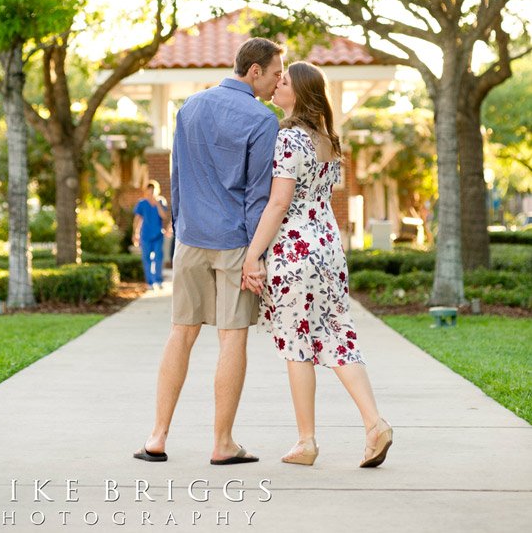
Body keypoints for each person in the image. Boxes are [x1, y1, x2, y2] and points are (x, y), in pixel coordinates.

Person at [134, 37, 284, 464]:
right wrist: (256, 256)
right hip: (235, 244)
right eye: (275, 75)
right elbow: (258, 199)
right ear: (254, 71)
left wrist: (182, 228)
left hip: (191, 240)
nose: (277, 83)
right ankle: (222, 444)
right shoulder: (262, 119)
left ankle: (157, 437)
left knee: (180, 333)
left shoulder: (190, 108)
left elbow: (176, 178)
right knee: (231, 338)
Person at [242, 62, 393, 468]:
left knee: (296, 343)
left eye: (285, 82)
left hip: (295, 249)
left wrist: (253, 254)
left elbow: (278, 203)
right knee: (337, 334)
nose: (277, 85)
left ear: (301, 93)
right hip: (328, 246)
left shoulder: (289, 138)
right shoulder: (327, 139)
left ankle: (306, 442)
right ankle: (374, 423)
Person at [133, 181, 169, 289]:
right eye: (149, 191)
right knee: (146, 258)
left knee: (158, 258)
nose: (150, 193)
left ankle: (158, 280)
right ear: (146, 191)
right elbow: (137, 220)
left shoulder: (161, 201)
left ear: (156, 191)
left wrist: (157, 204)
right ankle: (150, 282)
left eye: (153, 190)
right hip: (145, 235)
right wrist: (135, 234)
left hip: (158, 235)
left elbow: (164, 216)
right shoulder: (142, 203)